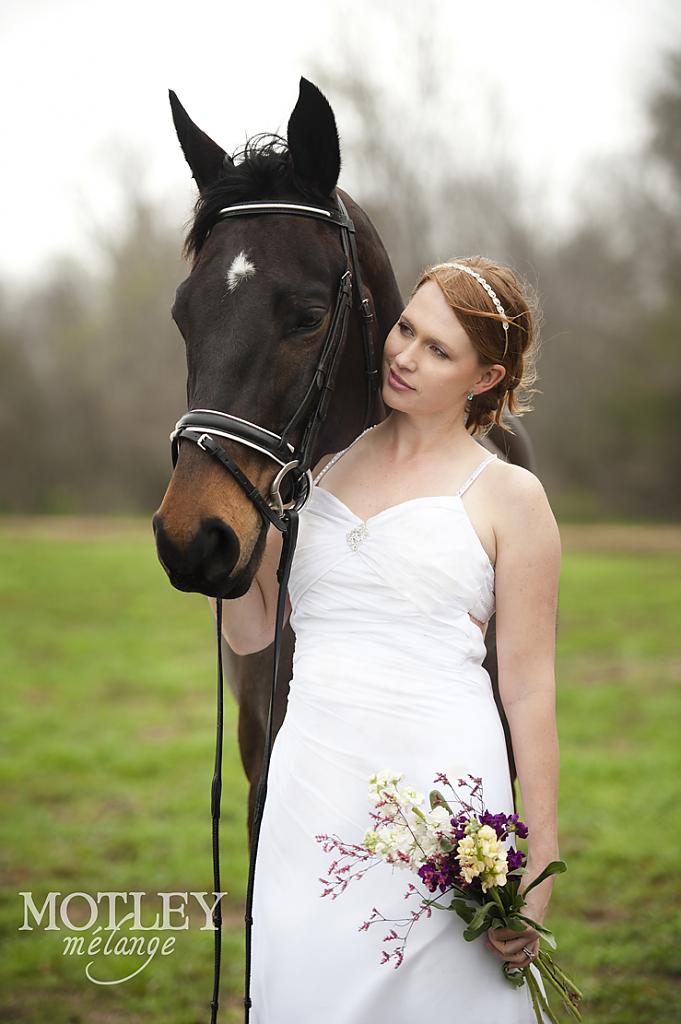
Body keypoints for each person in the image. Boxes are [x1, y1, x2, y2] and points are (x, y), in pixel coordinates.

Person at [216, 256, 561, 1022]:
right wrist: (219, 548)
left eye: (437, 350)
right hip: (311, 790)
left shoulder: (509, 495)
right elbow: (252, 631)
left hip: (444, 801)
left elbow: (529, 688)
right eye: (406, 328)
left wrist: (539, 860)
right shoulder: (313, 471)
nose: (403, 355)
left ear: (484, 378)